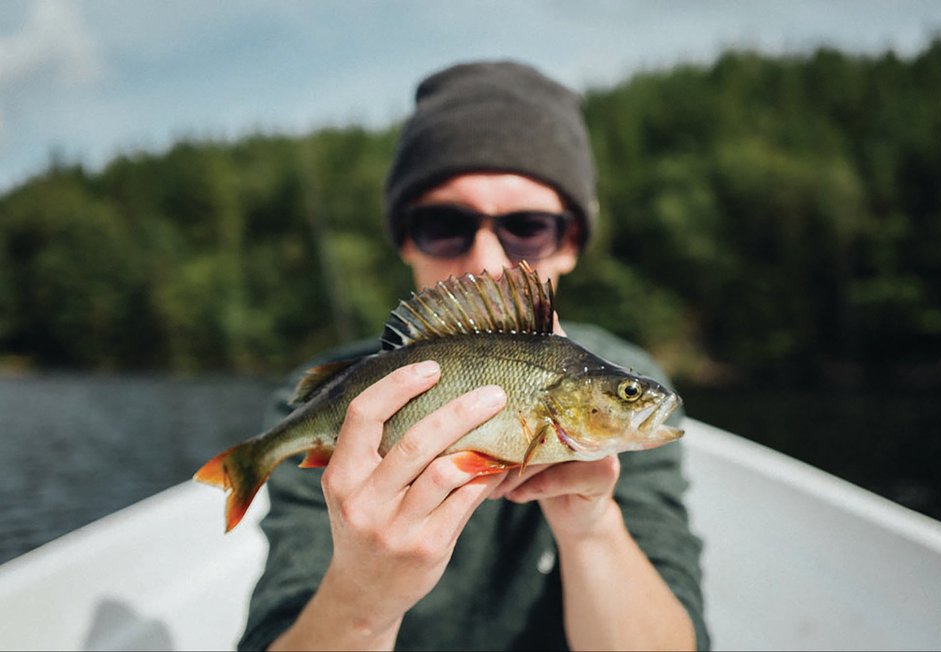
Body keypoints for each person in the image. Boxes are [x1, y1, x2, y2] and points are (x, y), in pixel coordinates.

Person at [238, 60, 709, 651]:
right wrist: (366, 593)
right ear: (405, 237)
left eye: (527, 227)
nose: (487, 258)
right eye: (444, 224)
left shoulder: (628, 382)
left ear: (570, 244)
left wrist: (590, 527)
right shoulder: (339, 401)